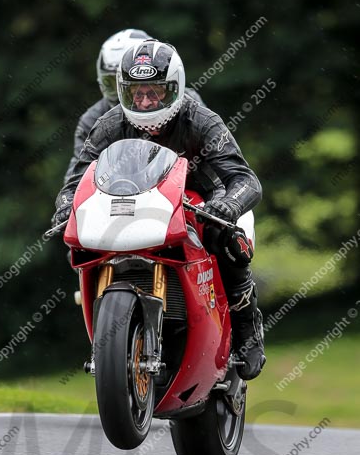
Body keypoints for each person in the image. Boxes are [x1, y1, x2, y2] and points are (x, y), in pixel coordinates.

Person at [52, 39, 266, 380]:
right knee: (78, 247)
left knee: (226, 240)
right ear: (124, 93)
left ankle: (246, 327)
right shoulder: (109, 123)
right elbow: (76, 180)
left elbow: (245, 179)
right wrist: (65, 208)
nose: (146, 101)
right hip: (138, 199)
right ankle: (112, 337)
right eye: (137, 93)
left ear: (175, 88)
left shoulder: (201, 120)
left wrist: (227, 204)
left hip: (204, 198)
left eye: (155, 92)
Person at [62, 29, 205, 186]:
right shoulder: (93, 119)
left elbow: (216, 159)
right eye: (111, 82)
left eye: (141, 84)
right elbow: (77, 177)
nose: (122, 93)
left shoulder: (187, 102)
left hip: (186, 190)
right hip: (121, 197)